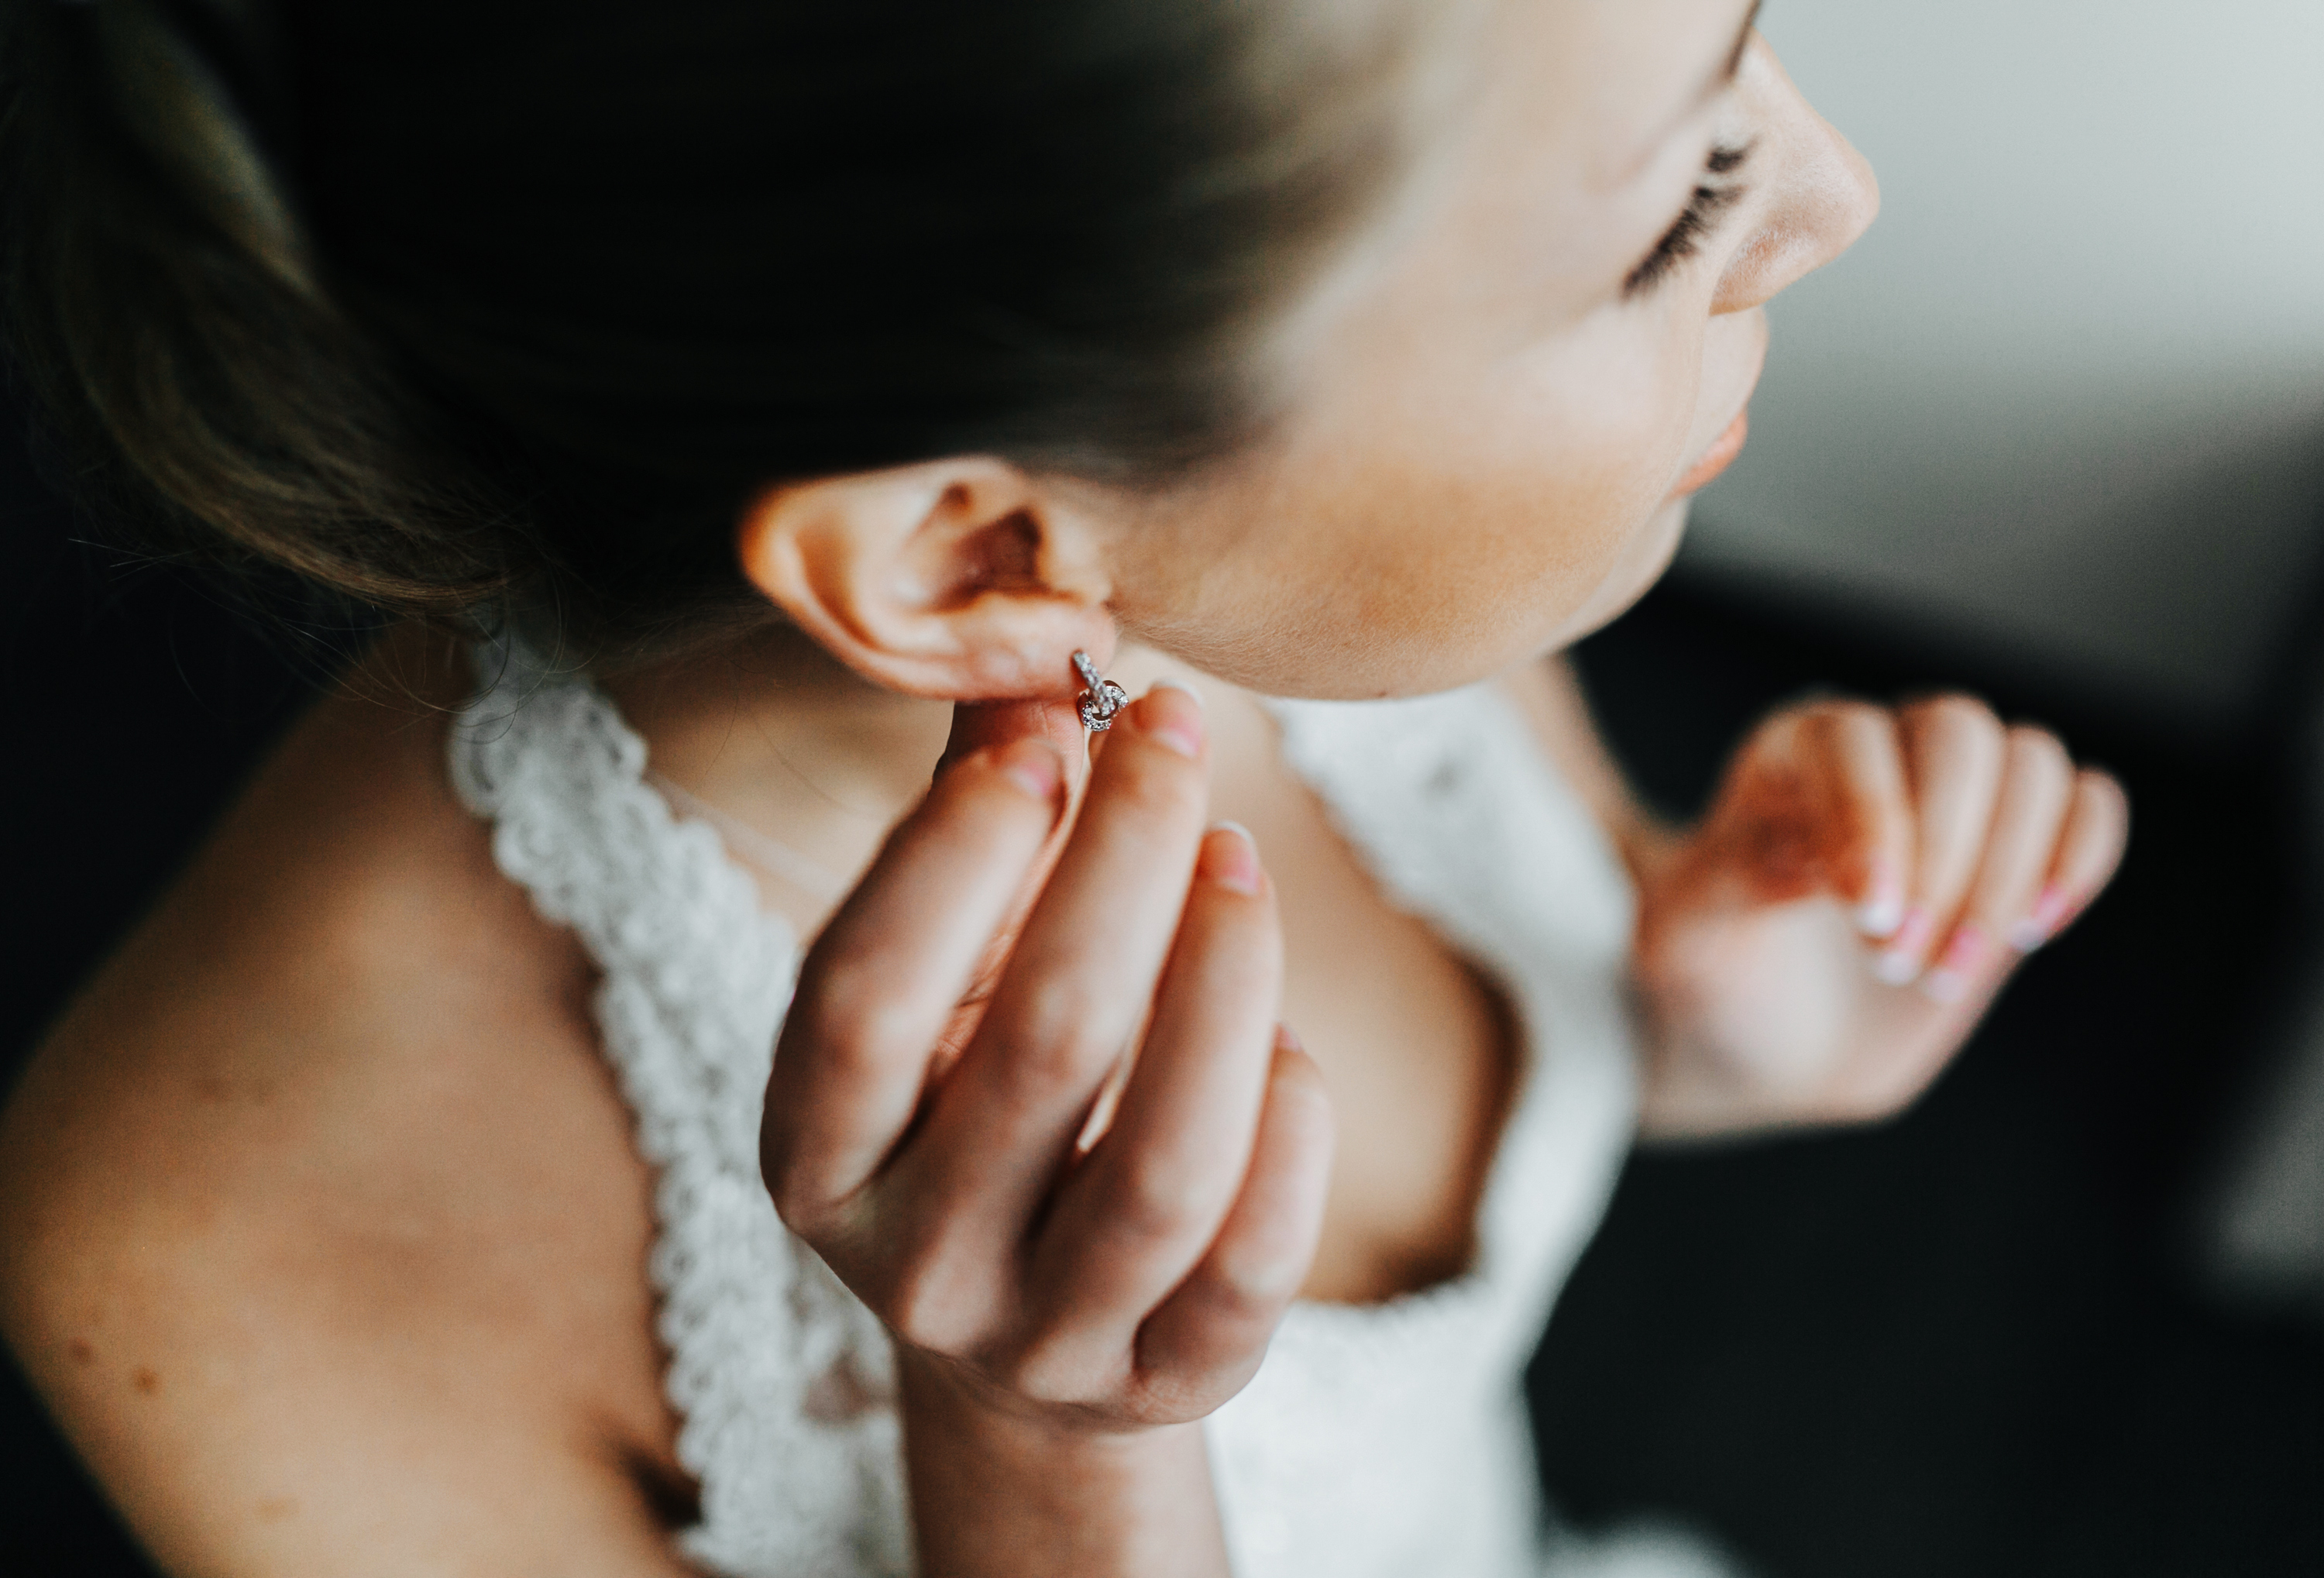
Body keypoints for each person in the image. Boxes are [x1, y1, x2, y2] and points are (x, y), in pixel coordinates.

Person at [0, 0, 2129, 1573]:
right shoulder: (209, 1252)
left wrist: (1694, 1011)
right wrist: (1043, 1445)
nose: (1835, 201)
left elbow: (1532, 1039)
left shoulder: (1287, 546)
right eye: (1678, 212)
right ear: (972, 561)